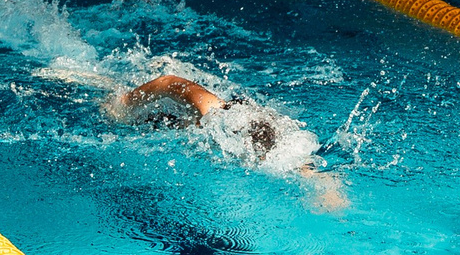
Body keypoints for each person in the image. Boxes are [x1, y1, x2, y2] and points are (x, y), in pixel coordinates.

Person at [111, 73, 351, 205]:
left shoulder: (281, 150)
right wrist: (125, 104)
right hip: (180, 108)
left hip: (258, 125)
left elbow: (305, 168)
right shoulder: (210, 109)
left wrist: (327, 191)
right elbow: (167, 81)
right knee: (147, 122)